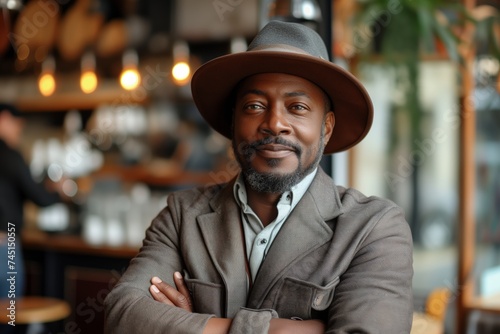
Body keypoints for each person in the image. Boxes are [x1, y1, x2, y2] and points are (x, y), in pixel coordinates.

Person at [104, 21, 413, 333]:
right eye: (254, 106)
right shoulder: (182, 215)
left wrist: (193, 324)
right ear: (234, 122)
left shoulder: (373, 227)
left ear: (327, 127)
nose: (275, 123)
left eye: (298, 107)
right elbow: (123, 316)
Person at [0, 103, 65, 311]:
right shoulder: (10, 156)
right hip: (5, 242)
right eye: (17, 126)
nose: (19, 132)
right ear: (4, 119)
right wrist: (58, 191)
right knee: (8, 312)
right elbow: (40, 197)